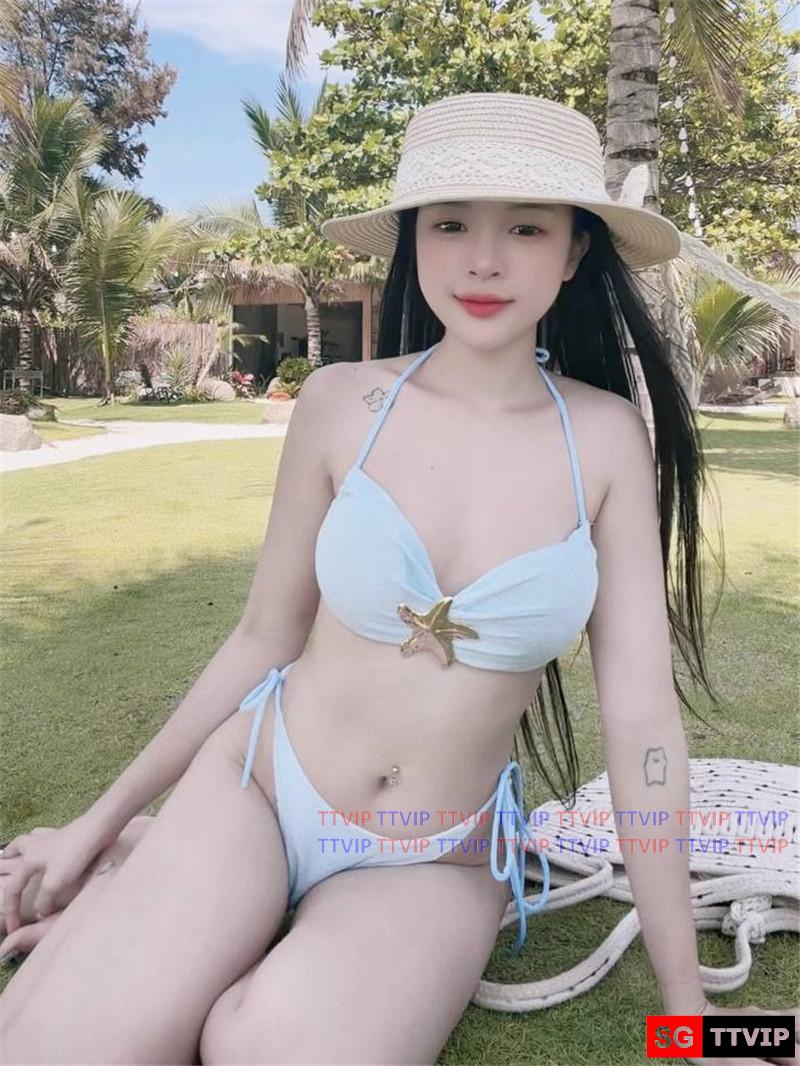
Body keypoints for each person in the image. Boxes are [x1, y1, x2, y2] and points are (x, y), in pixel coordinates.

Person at [0, 91, 796, 1066]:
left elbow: (642, 724)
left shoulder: (605, 439)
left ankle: (187, 908)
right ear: (413, 239)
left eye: (526, 228)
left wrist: (687, 1015)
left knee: (269, 1050)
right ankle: (149, 873)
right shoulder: (338, 404)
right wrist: (93, 825)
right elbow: (261, 638)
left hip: (436, 855)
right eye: (450, 223)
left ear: (574, 250)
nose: (483, 260)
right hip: (258, 790)